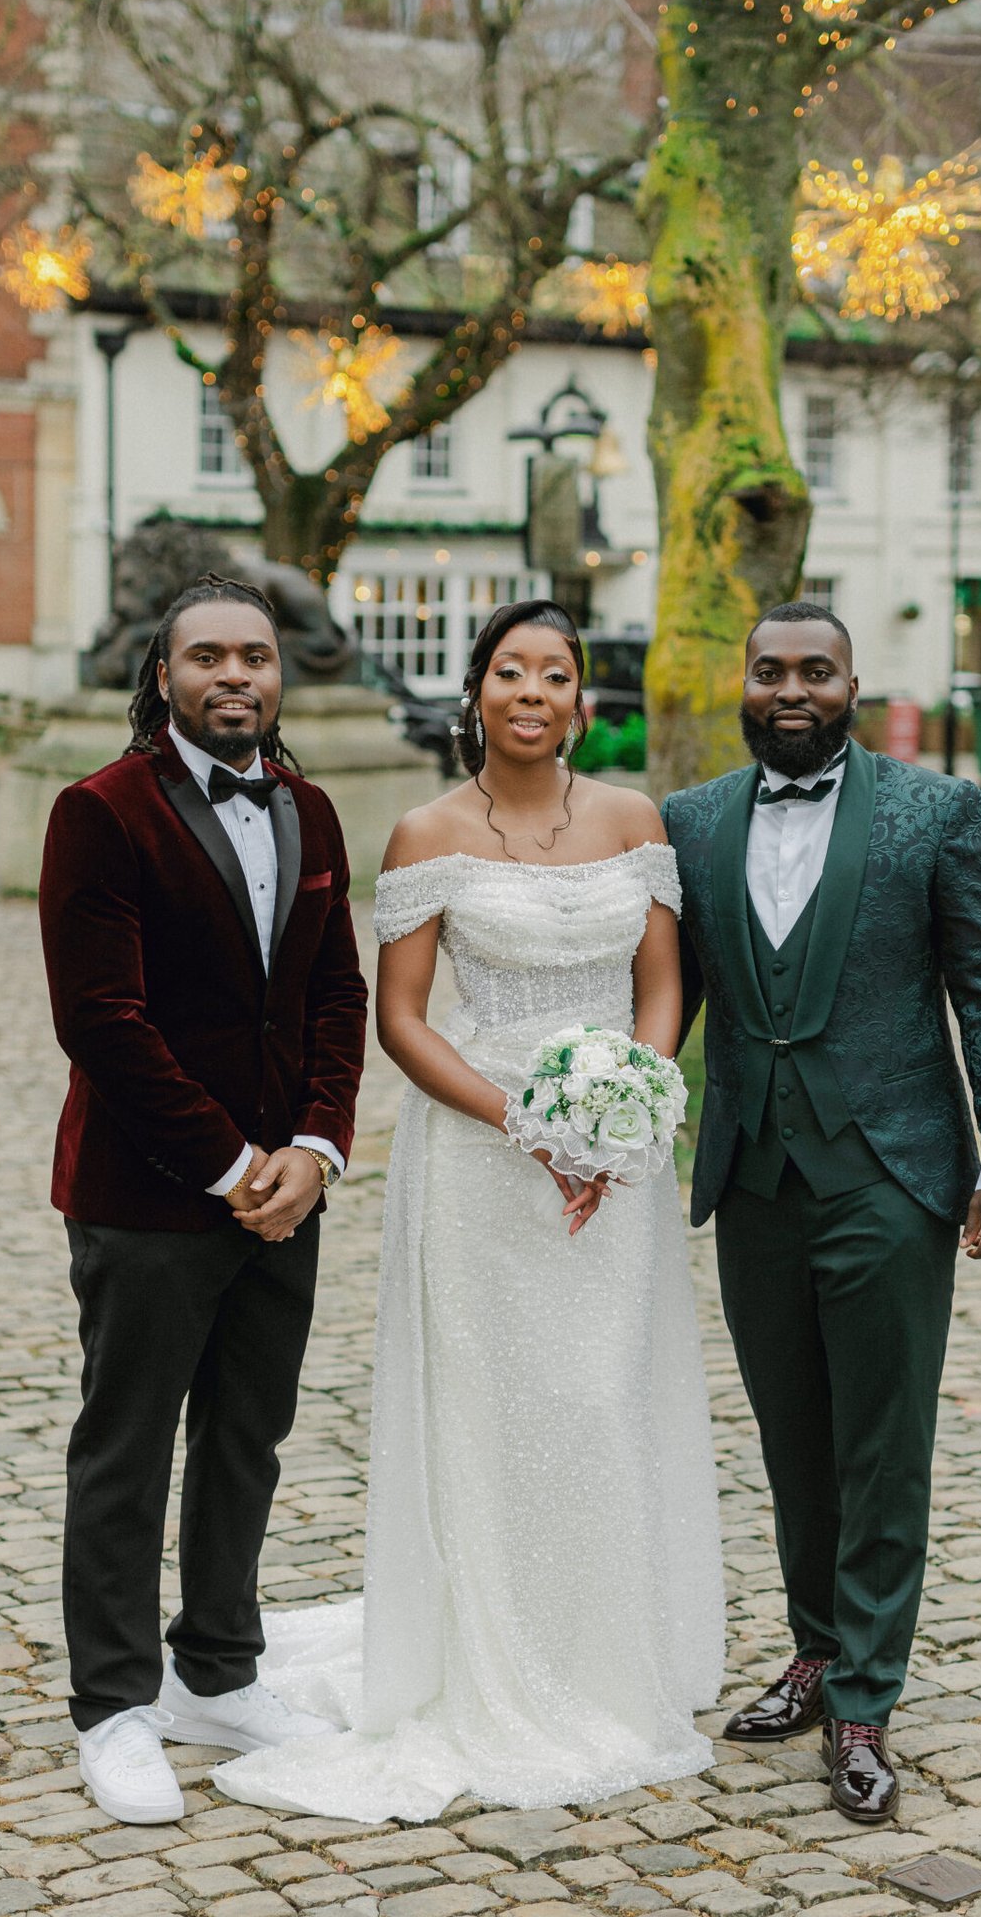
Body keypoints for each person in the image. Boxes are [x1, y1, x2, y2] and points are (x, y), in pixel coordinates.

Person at [211, 599, 726, 1823]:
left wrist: (629, 1104)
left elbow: (663, 985)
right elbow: (400, 1019)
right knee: (493, 1407)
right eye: (509, 671)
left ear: (580, 698)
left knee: (601, 1396)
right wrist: (530, 1125)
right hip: (481, 1158)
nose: (531, 693)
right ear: (476, 691)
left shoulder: (634, 820)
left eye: (554, 674)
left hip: (616, 1164)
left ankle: (604, 1651)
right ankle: (487, 1653)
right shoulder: (428, 831)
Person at [664, 602, 981, 1826]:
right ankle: (816, 1650)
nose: (790, 689)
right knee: (792, 1435)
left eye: (814, 672)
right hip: (753, 1173)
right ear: (743, 684)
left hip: (890, 1171)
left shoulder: (936, 811)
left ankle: (866, 1699)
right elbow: (667, 991)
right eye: (769, 670)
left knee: (880, 1442)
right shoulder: (691, 820)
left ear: (852, 686)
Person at [38, 574, 368, 1824]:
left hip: (290, 1190)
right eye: (209, 656)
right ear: (163, 675)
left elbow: (336, 995)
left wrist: (316, 1149)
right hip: (149, 1194)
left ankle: (218, 1672)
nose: (236, 675)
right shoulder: (99, 812)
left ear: (279, 676)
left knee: (246, 1437)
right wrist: (235, 1167)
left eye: (256, 657)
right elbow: (101, 1022)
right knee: (124, 1450)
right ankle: (114, 1708)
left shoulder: (309, 808)